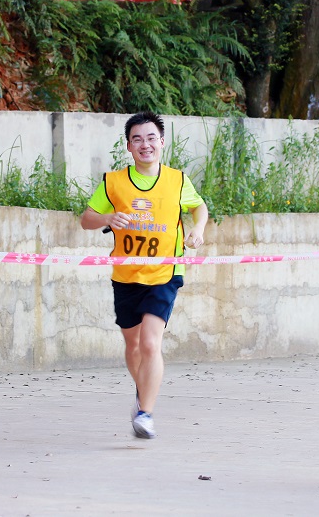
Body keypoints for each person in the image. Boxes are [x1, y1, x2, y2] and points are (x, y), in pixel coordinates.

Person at [80, 111, 208, 439]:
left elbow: (199, 206)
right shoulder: (114, 182)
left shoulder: (177, 180)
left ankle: (145, 414)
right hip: (126, 275)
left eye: (151, 138)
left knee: (151, 343)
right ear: (128, 146)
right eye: (137, 139)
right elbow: (86, 218)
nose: (145, 144)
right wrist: (107, 218)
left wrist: (197, 230)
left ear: (162, 142)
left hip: (165, 272)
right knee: (133, 346)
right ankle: (143, 392)